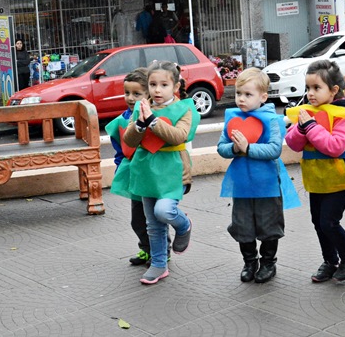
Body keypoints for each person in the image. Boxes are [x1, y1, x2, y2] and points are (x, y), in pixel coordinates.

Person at [113, 61, 199, 285]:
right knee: (152, 223)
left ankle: (183, 225)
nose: (157, 90)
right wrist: (139, 124)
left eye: (163, 85)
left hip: (173, 171)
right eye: (152, 84)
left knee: (164, 211)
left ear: (176, 86)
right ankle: (158, 264)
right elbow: (130, 139)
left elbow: (179, 136)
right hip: (145, 171)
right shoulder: (140, 107)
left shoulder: (185, 108)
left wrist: (152, 121)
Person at [285, 60, 345, 283]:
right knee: (317, 221)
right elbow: (293, 143)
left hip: (339, 177)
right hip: (316, 176)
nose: (310, 94)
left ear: (333, 91)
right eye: (308, 88)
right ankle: (330, 261)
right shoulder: (307, 113)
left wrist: (310, 126)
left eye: (316, 88)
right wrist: (302, 127)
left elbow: (335, 146)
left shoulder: (343, 116)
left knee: (329, 221)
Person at [217, 68, 300, 284]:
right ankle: (249, 262)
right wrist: (234, 149)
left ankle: (268, 263)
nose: (241, 99)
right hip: (242, 185)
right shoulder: (233, 118)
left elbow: (274, 150)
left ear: (263, 97)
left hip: (267, 184)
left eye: (248, 94)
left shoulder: (271, 119)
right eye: (238, 93)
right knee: (242, 225)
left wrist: (247, 148)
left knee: (268, 224)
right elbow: (221, 147)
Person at [107, 68, 171, 267]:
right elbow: (120, 149)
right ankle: (146, 248)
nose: (130, 98)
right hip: (135, 177)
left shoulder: (156, 117)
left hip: (152, 176)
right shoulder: (122, 120)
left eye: (137, 93)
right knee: (138, 219)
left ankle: (162, 250)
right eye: (127, 93)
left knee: (155, 217)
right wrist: (120, 167)